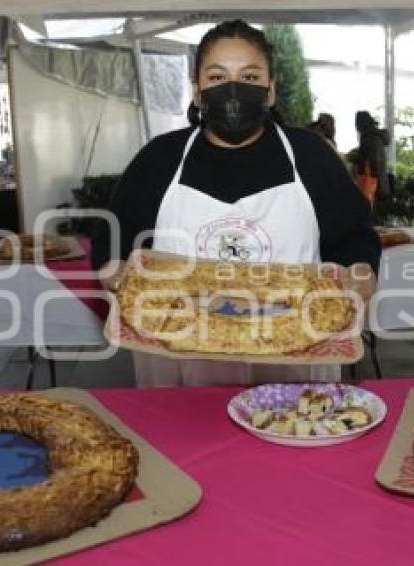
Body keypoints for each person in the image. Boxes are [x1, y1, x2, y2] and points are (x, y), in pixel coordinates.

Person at [91, 20, 381, 387]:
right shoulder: (159, 159)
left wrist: (360, 276)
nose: (232, 89)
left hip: (295, 359)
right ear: (197, 91)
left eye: (249, 76)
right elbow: (112, 242)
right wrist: (114, 273)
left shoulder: (311, 157)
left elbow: (355, 239)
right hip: (179, 366)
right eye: (216, 77)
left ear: (270, 90)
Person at [347, 110, 391, 209]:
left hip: (371, 180)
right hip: (379, 181)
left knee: (367, 212)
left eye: (356, 123)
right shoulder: (376, 136)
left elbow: (369, 159)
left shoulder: (368, 138)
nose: (356, 127)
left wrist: (351, 157)